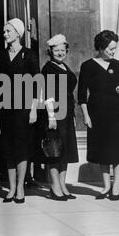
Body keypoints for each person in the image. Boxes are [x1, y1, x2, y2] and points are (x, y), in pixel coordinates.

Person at [78, 30, 119, 201]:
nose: (113, 52)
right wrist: (86, 116)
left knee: (118, 150)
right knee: (102, 150)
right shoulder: (87, 66)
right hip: (97, 114)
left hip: (117, 114)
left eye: (114, 49)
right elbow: (81, 95)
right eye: (110, 49)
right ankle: (106, 185)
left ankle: (117, 185)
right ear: (100, 47)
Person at [0, 18, 39, 204]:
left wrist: (34, 109)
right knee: (8, 148)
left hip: (24, 107)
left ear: (18, 33)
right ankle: (11, 187)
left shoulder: (29, 55)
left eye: (8, 31)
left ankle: (20, 187)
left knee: (21, 147)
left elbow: (37, 83)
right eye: (4, 32)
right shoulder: (0, 55)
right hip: (5, 108)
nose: (5, 35)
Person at [41, 34, 79, 200]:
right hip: (55, 113)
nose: (60, 53)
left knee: (66, 151)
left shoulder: (65, 67)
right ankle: (54, 186)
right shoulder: (48, 68)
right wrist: (51, 117)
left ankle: (63, 185)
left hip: (67, 113)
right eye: (56, 50)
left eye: (63, 50)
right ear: (50, 51)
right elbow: (47, 94)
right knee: (54, 151)